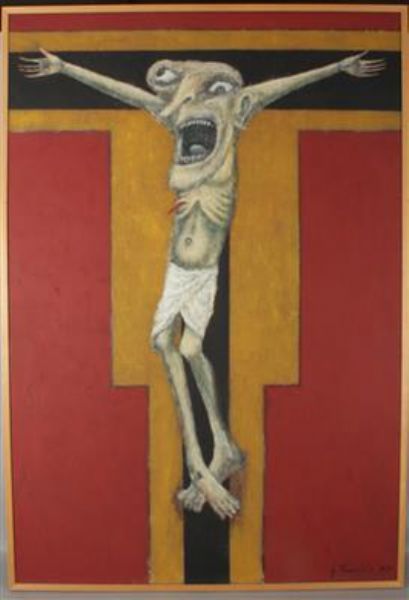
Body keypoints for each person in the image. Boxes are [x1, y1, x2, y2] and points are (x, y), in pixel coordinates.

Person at [20, 49, 385, 519]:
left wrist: (336, 68)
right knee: (186, 348)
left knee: (168, 343)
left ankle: (199, 461)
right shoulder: (182, 120)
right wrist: (66, 68)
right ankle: (220, 449)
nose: (195, 108)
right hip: (180, 266)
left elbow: (283, 86)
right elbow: (128, 93)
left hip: (202, 268)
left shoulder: (234, 113)